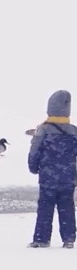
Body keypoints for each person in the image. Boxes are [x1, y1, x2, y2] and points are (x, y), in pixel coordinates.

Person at [27, 90, 77, 248]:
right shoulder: (73, 131)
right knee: (67, 207)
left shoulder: (43, 130)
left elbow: (35, 151)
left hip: (48, 177)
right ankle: (69, 239)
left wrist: (33, 167)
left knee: (45, 207)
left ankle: (41, 239)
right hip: (68, 177)